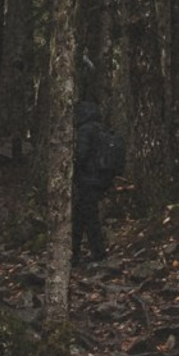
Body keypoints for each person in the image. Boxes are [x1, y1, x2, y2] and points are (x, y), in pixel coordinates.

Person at [74, 100, 126, 262]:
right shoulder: (103, 129)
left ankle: (95, 253)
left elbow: (81, 155)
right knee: (83, 216)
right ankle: (80, 253)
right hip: (102, 179)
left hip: (88, 180)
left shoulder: (85, 130)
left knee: (87, 217)